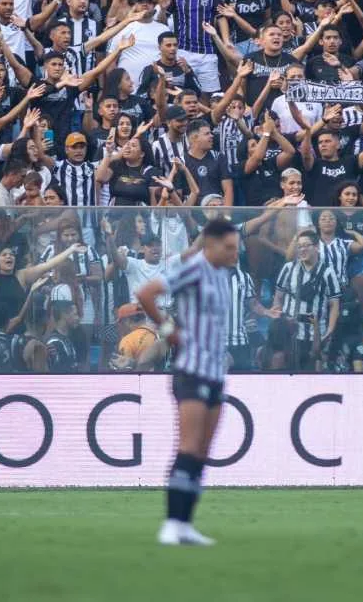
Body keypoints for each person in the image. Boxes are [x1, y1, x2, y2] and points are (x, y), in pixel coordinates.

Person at [136, 218, 239, 547]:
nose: (235, 253)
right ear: (211, 245)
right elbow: (146, 294)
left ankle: (185, 524)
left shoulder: (224, 276)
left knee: (203, 452)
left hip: (214, 372)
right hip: (191, 370)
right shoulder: (194, 269)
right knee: (189, 446)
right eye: (229, 247)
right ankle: (171, 523)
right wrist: (168, 331)